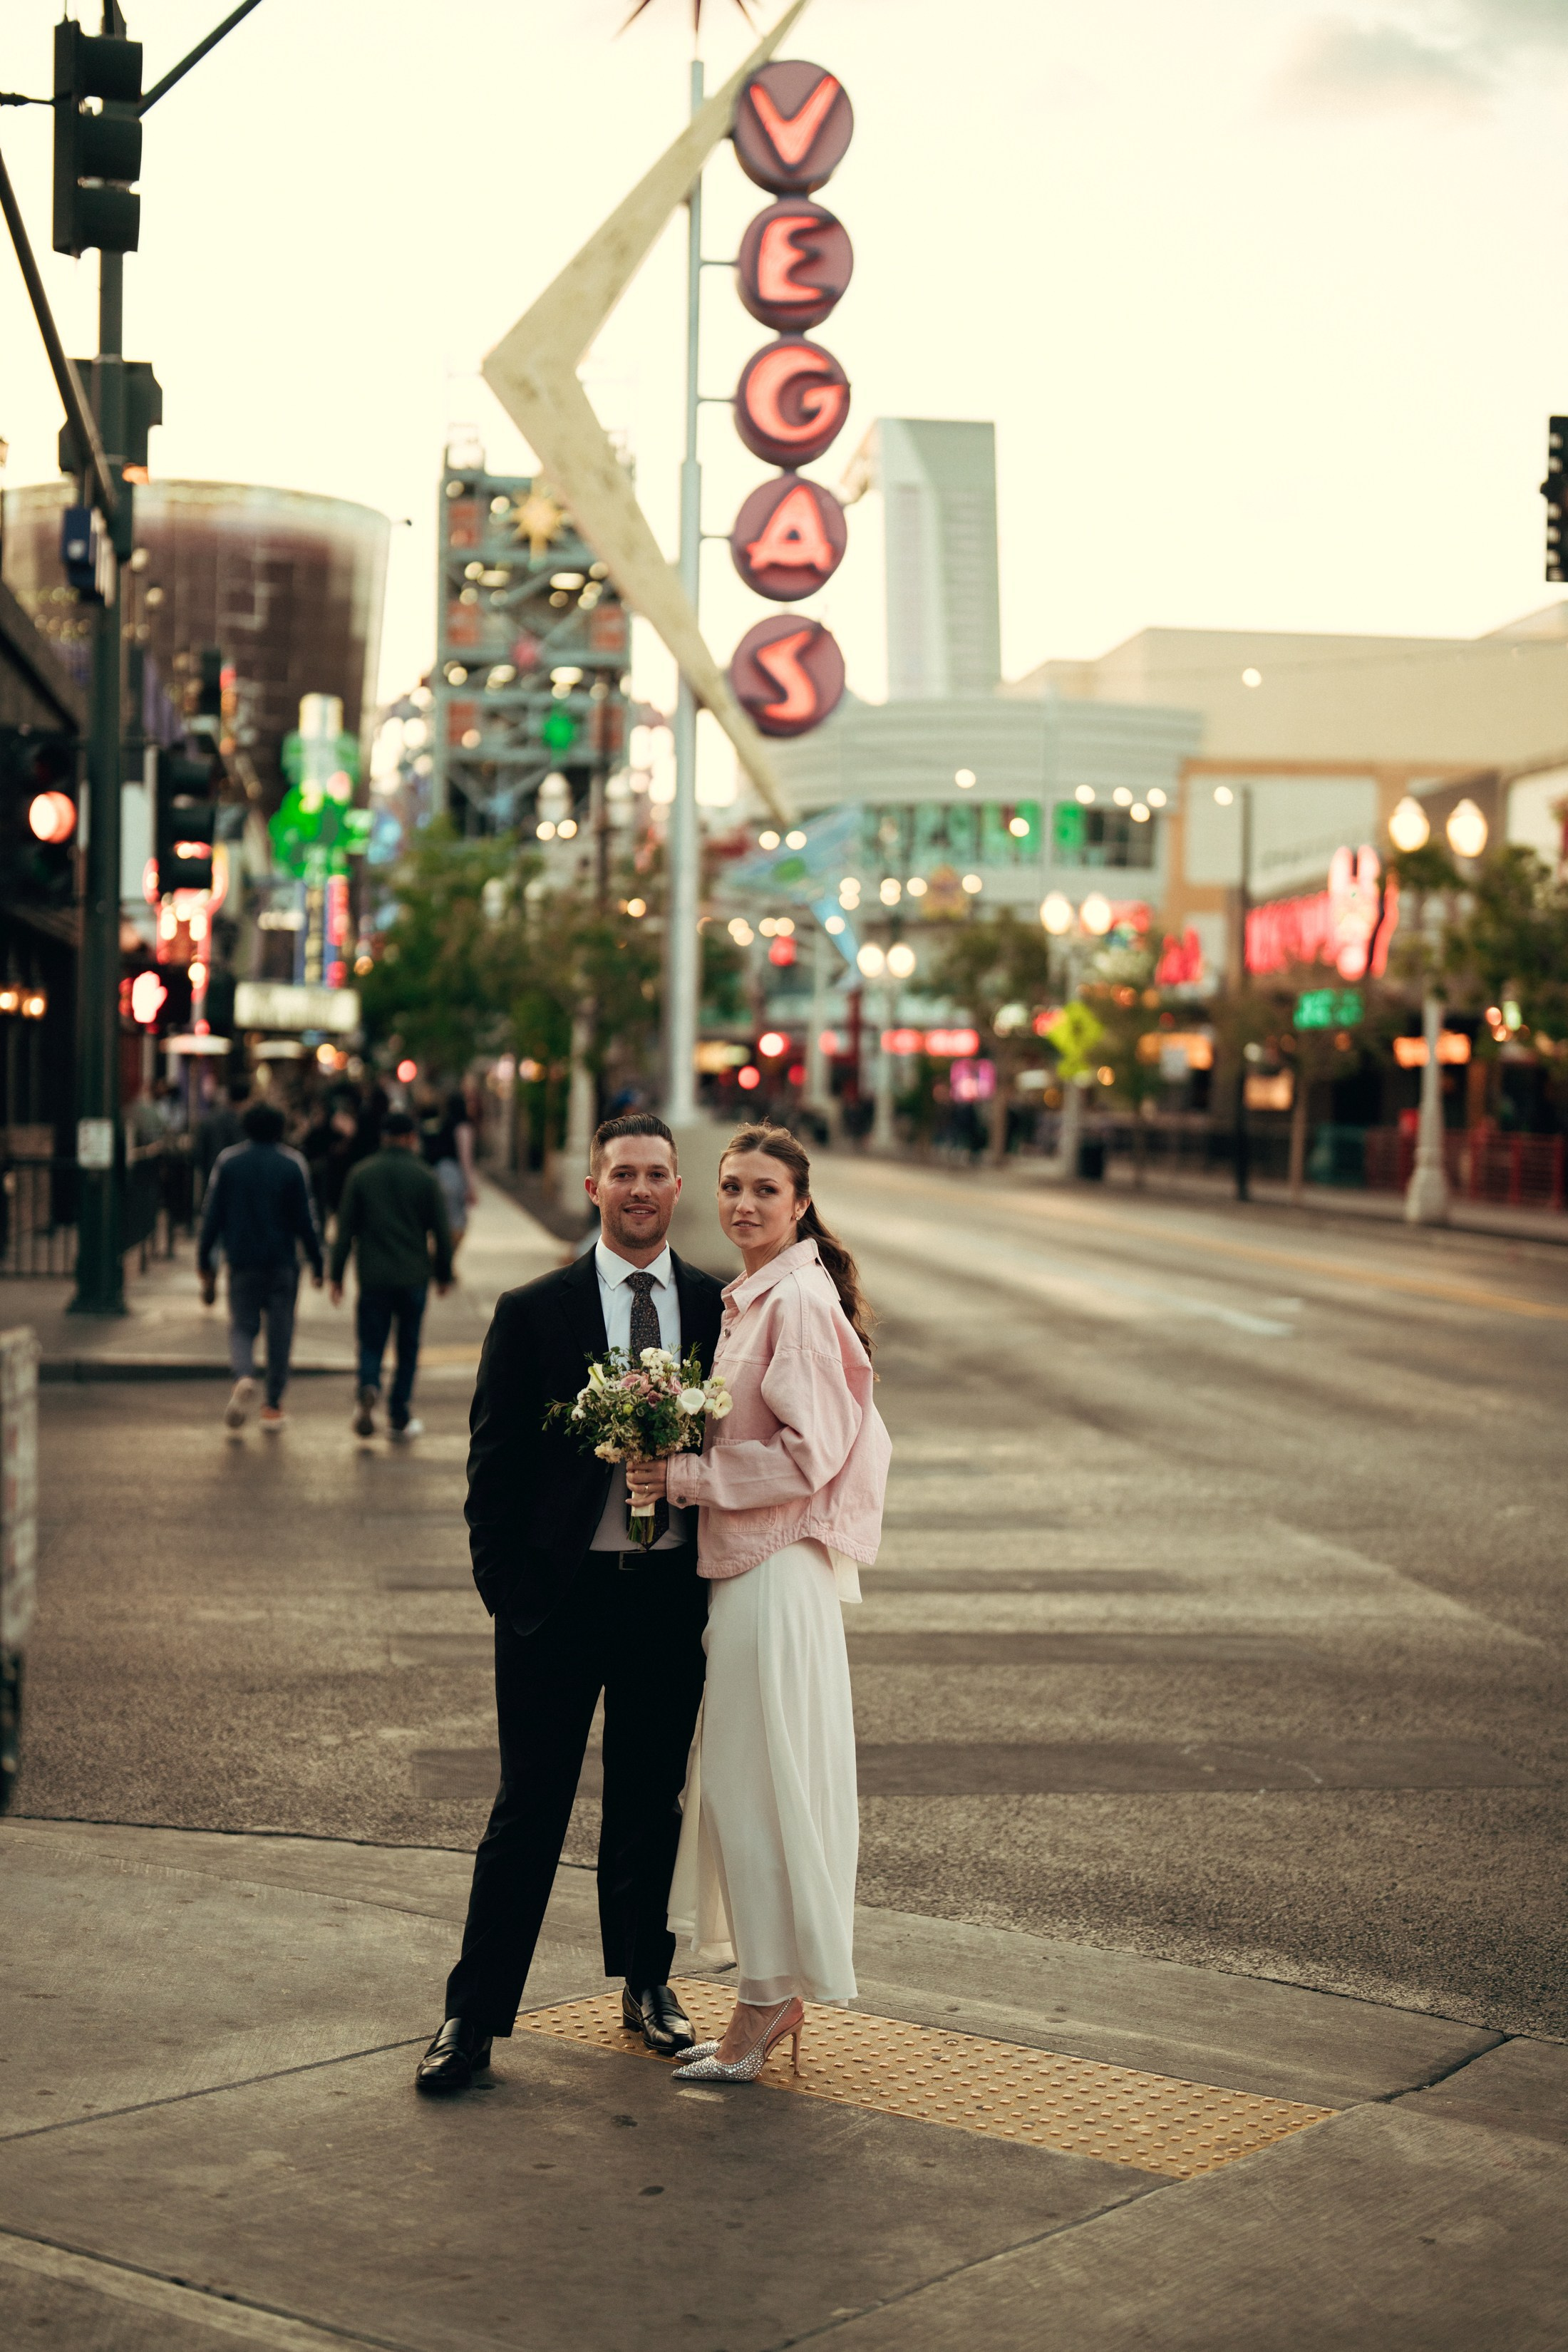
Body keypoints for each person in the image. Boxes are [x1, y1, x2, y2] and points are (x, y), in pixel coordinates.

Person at [414, 1113, 726, 2095]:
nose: (640, 1190)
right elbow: (493, 1463)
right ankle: (472, 2017)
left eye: (657, 1175)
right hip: (557, 1597)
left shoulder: (724, 1311)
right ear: (593, 1186)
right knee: (529, 1809)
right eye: (622, 1174)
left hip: (670, 1595)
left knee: (649, 1802)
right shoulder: (533, 1310)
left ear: (680, 1190)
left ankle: (646, 1984)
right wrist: (507, 1590)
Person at [635, 1123, 889, 2084]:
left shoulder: (800, 1299)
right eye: (732, 1187)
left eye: (765, 1191)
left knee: (760, 1791)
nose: (743, 1205)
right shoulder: (760, 1297)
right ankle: (765, 1996)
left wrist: (686, 1476)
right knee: (748, 1789)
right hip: (747, 1569)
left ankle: (766, 2006)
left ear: (801, 1203)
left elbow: (810, 1453)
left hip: (777, 1571)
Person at [198, 1101, 324, 1433]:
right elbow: (305, 1219)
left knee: (242, 1326)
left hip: (241, 1260)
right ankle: (273, 1406)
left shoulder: (229, 1162)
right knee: (280, 1334)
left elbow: (212, 1215)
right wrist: (318, 1260)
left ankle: (242, 1375)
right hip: (282, 1263)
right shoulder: (293, 1164)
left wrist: (204, 1258)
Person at [329, 1109, 453, 1445]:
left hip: (373, 1276)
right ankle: (399, 1415)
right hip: (413, 1276)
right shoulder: (425, 1176)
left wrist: (336, 1274)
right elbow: (441, 1232)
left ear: (383, 1137)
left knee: (371, 1342)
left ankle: (369, 1386)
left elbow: (345, 1231)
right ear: (411, 1137)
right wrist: (444, 1273)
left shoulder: (361, 1174)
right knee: (408, 1347)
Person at [421, 1087, 478, 1256]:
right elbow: (465, 1159)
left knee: (443, 1222)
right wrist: (471, 1187)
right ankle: (444, 1262)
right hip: (453, 1176)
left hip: (438, 1173)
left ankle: (442, 1261)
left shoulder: (441, 1124)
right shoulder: (463, 1127)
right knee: (458, 1223)